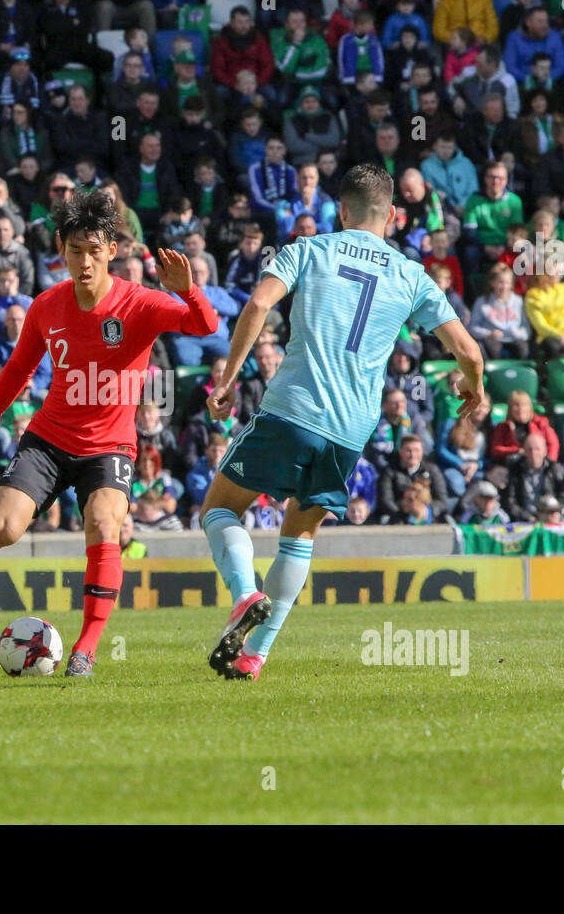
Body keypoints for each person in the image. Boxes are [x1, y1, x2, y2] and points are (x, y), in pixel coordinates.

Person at [0, 189, 218, 677]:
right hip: (49, 440)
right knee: (3, 529)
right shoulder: (46, 306)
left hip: (110, 447)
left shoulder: (139, 302)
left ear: (111, 250)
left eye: (94, 250)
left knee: (104, 525)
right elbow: (15, 373)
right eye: (75, 250)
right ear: (61, 250)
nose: (84, 261)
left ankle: (85, 650)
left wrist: (187, 289)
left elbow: (206, 326)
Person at [196, 164, 485, 681]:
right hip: (350, 430)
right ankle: (256, 655)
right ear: (393, 216)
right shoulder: (412, 274)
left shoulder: (308, 249)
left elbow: (259, 303)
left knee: (219, 507)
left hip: (293, 407)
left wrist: (228, 380)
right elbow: (469, 351)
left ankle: (244, 594)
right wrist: (475, 387)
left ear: (341, 210)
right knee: (299, 535)